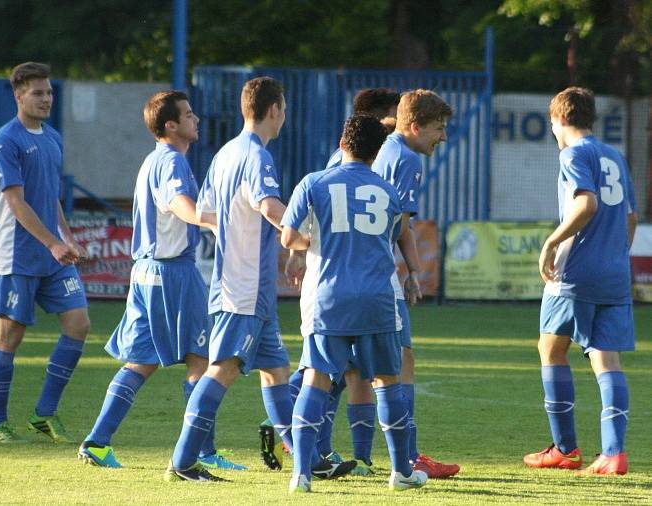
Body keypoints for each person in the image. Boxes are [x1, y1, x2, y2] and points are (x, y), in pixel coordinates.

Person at [165, 76, 352, 482]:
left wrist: (255, 241)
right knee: (224, 369)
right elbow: (269, 207)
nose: (284, 117)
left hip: (249, 285)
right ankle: (182, 461)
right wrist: (304, 240)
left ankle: (306, 460)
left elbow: (209, 214)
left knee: (277, 371)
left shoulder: (224, 154)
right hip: (243, 288)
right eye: (283, 109)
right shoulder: (257, 157)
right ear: (273, 110)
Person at [77, 91, 242, 473]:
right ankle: (202, 451)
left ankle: (97, 442)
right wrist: (213, 221)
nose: (196, 118)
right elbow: (177, 202)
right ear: (171, 125)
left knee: (141, 362)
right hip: (173, 274)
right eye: (188, 114)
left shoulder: (152, 159)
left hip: (145, 271)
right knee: (202, 360)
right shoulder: (172, 161)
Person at [282, 114, 427, 493]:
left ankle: (301, 473)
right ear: (377, 151)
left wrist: (307, 246)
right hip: (377, 297)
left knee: (315, 377)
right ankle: (401, 472)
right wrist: (412, 275)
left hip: (328, 297)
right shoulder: (388, 191)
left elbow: (288, 237)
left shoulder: (313, 183)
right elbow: (397, 235)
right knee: (386, 381)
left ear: (342, 143)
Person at [523, 86, 637, 475]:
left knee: (551, 350)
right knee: (607, 359)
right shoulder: (615, 156)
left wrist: (552, 241)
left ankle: (565, 449)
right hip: (615, 273)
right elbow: (630, 218)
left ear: (558, 119)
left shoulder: (572, 154)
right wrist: (614, 256)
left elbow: (586, 203)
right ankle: (613, 453)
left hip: (575, 272)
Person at [0, 62, 90, 444]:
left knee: (79, 325)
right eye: (38, 93)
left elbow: (51, 197)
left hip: (53, 255)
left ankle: (44, 414)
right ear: (18, 95)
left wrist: (68, 236)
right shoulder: (4, 141)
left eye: (49, 92)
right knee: (9, 337)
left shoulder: (53, 138)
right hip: (15, 256)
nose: (46, 99)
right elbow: (17, 203)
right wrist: (53, 242)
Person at [371, 89, 460, 478]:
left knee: (343, 364)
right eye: (438, 129)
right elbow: (401, 223)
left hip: (353, 266)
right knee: (400, 358)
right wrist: (410, 272)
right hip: (375, 272)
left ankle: (294, 427)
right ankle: (409, 457)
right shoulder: (407, 160)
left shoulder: (384, 146)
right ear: (414, 126)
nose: (442, 137)